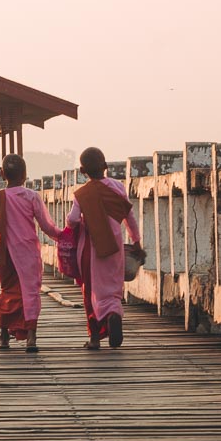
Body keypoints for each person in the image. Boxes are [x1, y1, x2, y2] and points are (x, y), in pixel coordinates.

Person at [0, 153, 65, 353]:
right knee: (30, 292)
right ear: (25, 174)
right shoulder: (31, 196)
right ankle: (31, 337)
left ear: (2, 174)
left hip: (5, 253)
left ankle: (3, 334)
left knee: (8, 291)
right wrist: (64, 236)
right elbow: (47, 226)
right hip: (27, 252)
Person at [66, 147, 145, 349]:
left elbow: (73, 220)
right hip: (115, 245)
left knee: (91, 290)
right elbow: (130, 218)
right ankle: (113, 313)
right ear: (105, 166)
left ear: (83, 171)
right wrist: (136, 241)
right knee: (112, 287)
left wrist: (77, 223)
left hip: (90, 249)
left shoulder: (82, 194)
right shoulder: (118, 188)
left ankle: (94, 338)